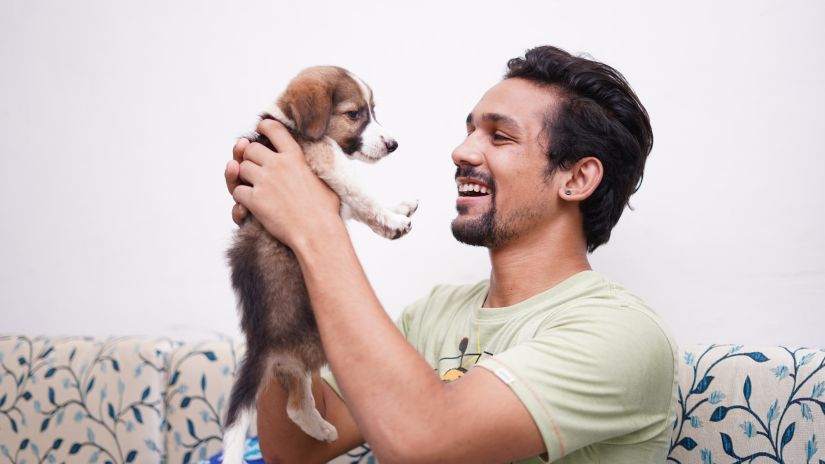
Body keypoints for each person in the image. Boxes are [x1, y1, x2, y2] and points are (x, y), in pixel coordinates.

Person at [224, 45, 678, 463]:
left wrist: (314, 228)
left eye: (499, 137)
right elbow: (293, 449)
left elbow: (424, 442)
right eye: (469, 131)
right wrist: (281, 241)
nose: (461, 151)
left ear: (576, 179)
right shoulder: (433, 316)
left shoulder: (621, 333)